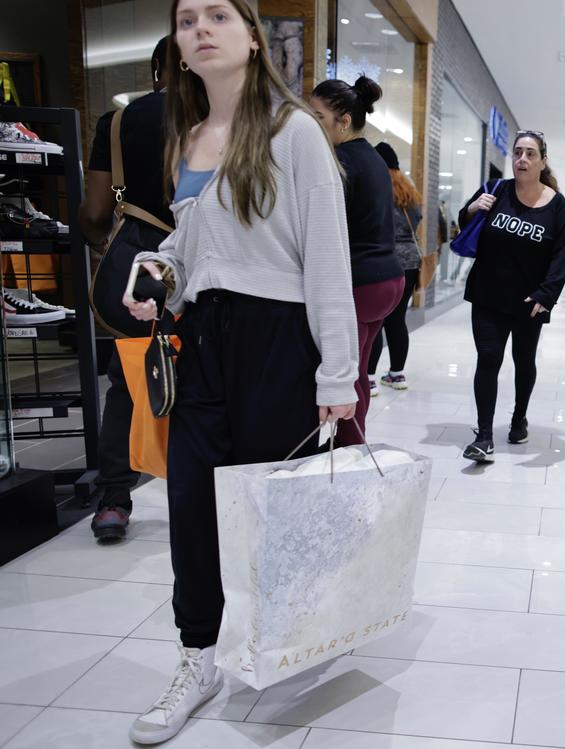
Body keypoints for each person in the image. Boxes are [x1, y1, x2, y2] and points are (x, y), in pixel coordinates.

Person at [122, 1, 359, 743]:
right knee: (191, 507)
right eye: (187, 19)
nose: (200, 29)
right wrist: (153, 272)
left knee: (271, 515)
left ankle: (287, 641)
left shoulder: (294, 135)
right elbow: (197, 248)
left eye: (217, 14)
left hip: (278, 339)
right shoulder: (186, 139)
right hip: (203, 339)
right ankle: (198, 656)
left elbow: (326, 258)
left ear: (252, 37)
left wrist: (337, 377)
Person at [79, 37, 172, 541]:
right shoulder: (224, 123)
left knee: (127, 383)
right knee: (209, 382)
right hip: (209, 270)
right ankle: (209, 497)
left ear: (157, 69)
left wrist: (109, 245)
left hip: (138, 266)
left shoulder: (117, 123)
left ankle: (113, 501)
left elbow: (94, 214)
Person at [459, 130, 565, 462]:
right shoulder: (495, 190)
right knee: (488, 359)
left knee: (523, 362)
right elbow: (462, 226)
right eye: (518, 153)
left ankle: (519, 418)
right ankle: (483, 436)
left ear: (542, 161)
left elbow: (562, 254)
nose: (522, 159)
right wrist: (471, 209)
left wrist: (546, 294)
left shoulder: (555, 205)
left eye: (530, 154)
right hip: (487, 296)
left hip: (528, 303)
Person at [310, 76, 404, 445]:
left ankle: (349, 451)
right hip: (386, 281)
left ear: (343, 121)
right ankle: (353, 446)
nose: (312, 126)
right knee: (358, 373)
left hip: (361, 282)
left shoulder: (341, 162)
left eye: (318, 117)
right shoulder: (375, 158)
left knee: (344, 378)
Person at [366, 141, 422, 392]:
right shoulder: (410, 194)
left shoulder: (376, 188)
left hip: (385, 260)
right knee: (398, 319)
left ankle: (368, 377)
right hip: (410, 262)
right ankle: (397, 374)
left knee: (376, 319)